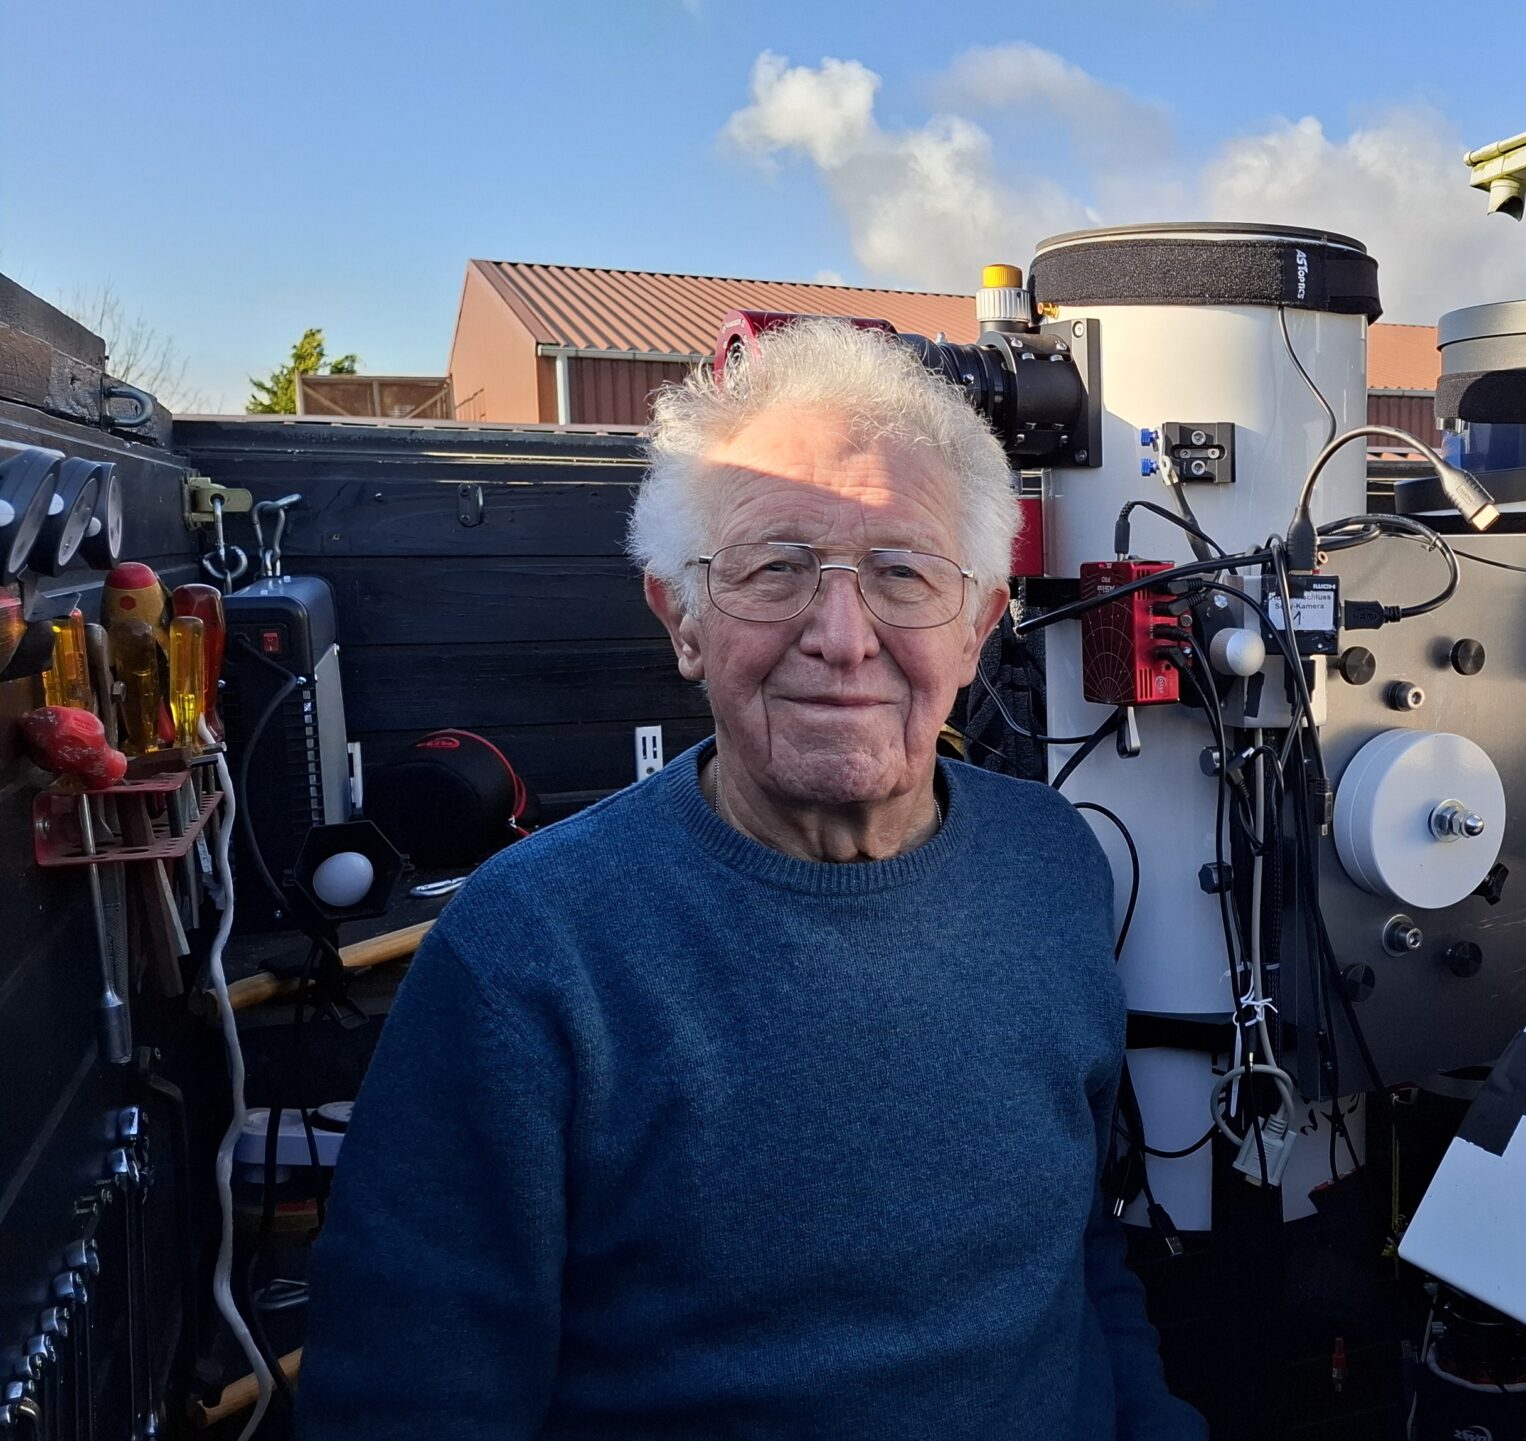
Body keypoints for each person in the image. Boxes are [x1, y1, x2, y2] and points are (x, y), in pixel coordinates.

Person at [297, 320, 1204, 1441]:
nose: (843, 637)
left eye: (902, 571)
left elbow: (1078, 1256)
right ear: (680, 616)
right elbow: (408, 1401)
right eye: (776, 569)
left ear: (977, 625)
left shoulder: (1052, 864)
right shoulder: (525, 954)